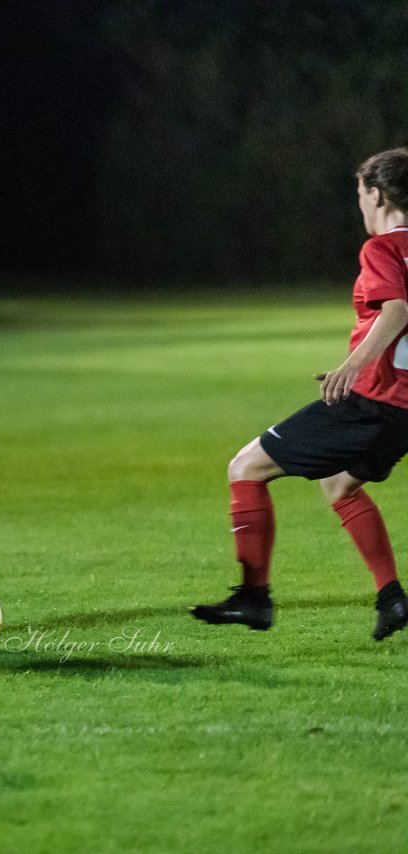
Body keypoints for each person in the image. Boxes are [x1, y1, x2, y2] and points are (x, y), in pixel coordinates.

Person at [193, 148, 408, 641]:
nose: (360, 206)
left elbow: (396, 310)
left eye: (360, 195)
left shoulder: (382, 249)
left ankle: (253, 598)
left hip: (374, 401)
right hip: (404, 414)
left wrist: (352, 366)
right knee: (339, 485)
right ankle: (392, 597)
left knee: (244, 468)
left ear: (376, 194)